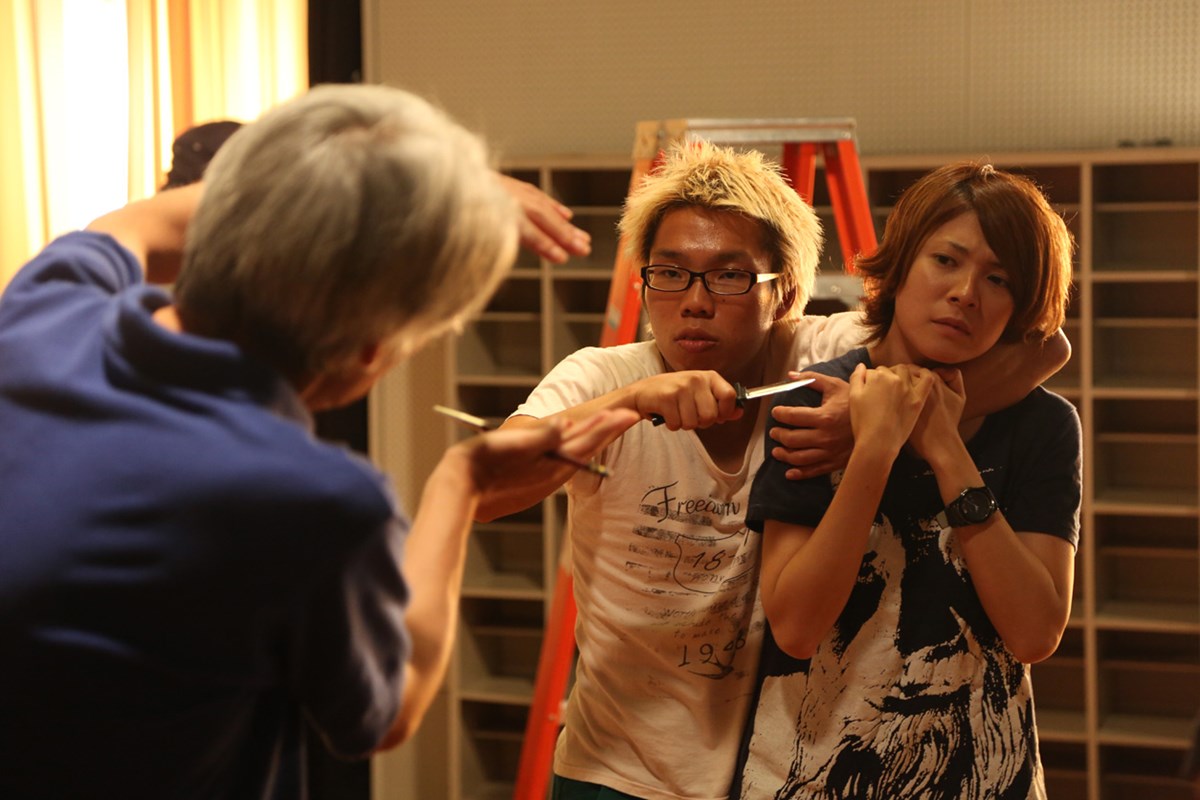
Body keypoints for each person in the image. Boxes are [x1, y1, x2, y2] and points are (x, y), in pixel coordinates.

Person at [0, 83, 633, 800]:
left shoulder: (45, 311)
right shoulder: (309, 499)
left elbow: (141, 223)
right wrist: (462, 482)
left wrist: (382, 186)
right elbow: (389, 707)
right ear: (372, 350)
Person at [475, 143, 1070, 800]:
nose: (695, 301)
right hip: (620, 769)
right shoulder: (603, 375)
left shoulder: (813, 356)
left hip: (772, 767)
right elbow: (484, 489)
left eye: (730, 276)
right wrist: (630, 404)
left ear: (784, 292)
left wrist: (869, 418)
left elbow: (1042, 346)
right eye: (669, 273)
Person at [732, 163, 1080, 799]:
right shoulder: (815, 407)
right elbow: (797, 627)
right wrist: (873, 449)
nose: (966, 293)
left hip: (984, 776)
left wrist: (945, 448)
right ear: (899, 268)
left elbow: (1035, 633)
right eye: (946, 260)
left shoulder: (1043, 426)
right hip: (809, 775)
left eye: (999, 279)